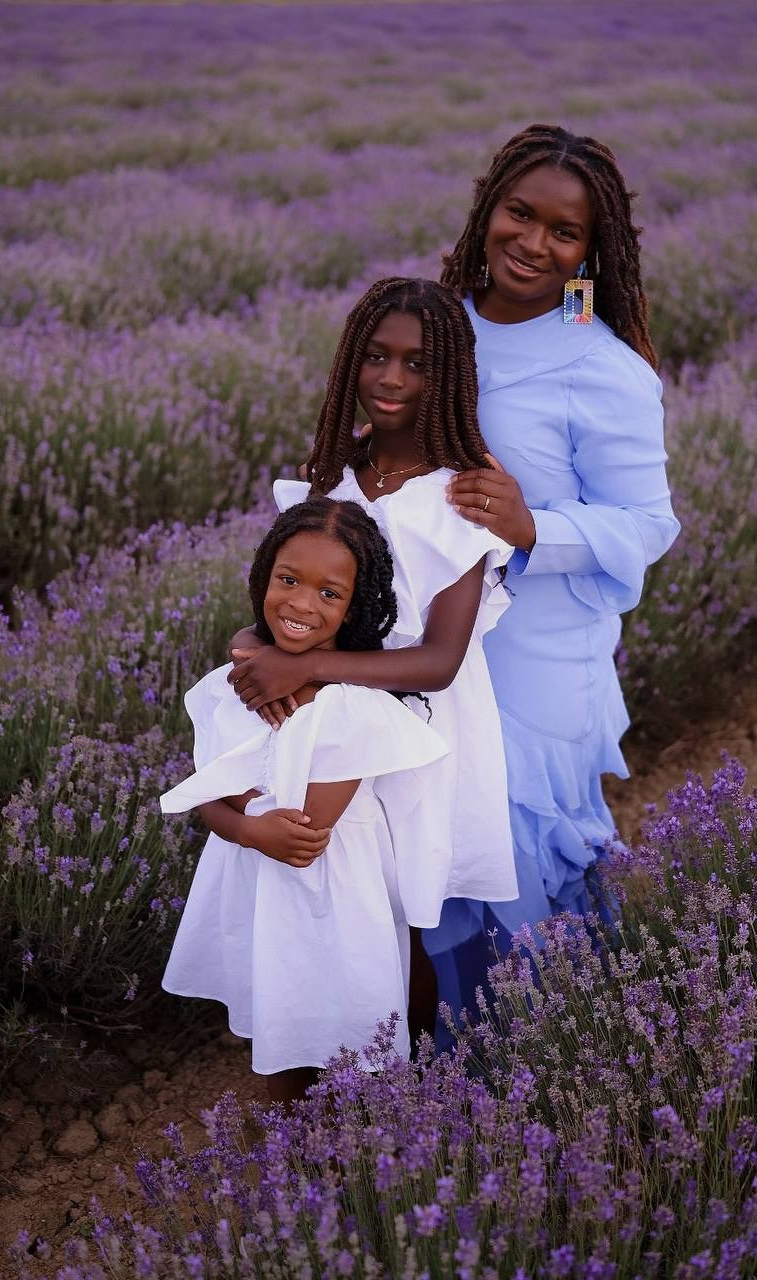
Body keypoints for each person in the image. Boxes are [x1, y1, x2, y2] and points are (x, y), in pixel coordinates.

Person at [426, 123, 680, 1005]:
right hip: (424, 649)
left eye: (563, 232)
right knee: (432, 847)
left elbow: (647, 523)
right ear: (486, 210)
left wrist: (534, 525)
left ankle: (552, 1059)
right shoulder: (436, 324)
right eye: (518, 214)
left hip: (534, 659)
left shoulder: (601, 366)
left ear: (589, 250)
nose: (533, 243)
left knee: (521, 857)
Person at [227, 277, 520, 1035]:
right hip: (326, 726)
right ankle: (314, 1055)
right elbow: (282, 596)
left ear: (448, 376)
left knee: (400, 905)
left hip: (419, 734)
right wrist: (250, 647)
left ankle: (405, 1072)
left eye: (418, 364)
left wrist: (306, 669)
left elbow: (439, 661)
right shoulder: (331, 478)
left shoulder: (458, 497)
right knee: (324, 885)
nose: (391, 379)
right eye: (377, 357)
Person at [159, 498, 450, 1105]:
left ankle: (372, 1129)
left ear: (355, 605)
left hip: (335, 891)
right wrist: (243, 827)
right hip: (259, 882)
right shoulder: (227, 687)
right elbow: (210, 794)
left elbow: (306, 833)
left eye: (329, 594)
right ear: (265, 573)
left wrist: (243, 814)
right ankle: (287, 1130)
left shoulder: (352, 704)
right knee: (280, 1001)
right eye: (288, 580)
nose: (300, 603)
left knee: (348, 1007)